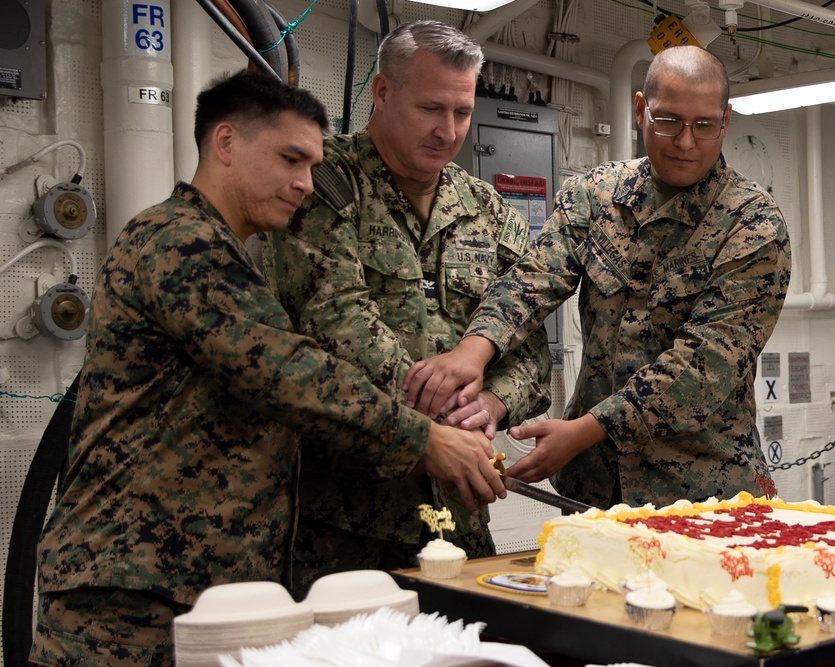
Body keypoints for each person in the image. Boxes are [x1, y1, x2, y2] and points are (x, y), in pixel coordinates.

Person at [29, 70, 505, 667]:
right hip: (133, 589)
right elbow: (288, 371)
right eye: (290, 159)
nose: (305, 183)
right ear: (226, 143)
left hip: (196, 579)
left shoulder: (222, 250)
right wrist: (426, 439)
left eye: (312, 165)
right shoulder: (181, 243)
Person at [404, 44, 792, 510]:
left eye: (704, 125)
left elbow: (703, 369)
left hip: (706, 494)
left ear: (725, 120)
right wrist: (474, 351)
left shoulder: (752, 224)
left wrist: (584, 432)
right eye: (668, 121)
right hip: (597, 489)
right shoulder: (595, 195)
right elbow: (534, 278)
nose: (686, 142)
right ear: (640, 109)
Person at [262, 20, 551, 597]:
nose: (448, 131)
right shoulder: (320, 185)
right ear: (383, 92)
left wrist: (493, 403)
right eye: (431, 108)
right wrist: (443, 423)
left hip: (459, 519)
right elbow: (336, 323)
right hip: (345, 520)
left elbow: (534, 352)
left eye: (463, 113)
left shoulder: (488, 213)